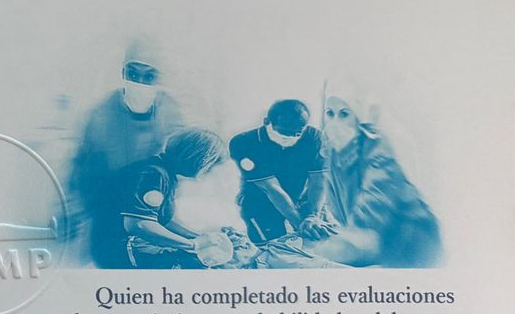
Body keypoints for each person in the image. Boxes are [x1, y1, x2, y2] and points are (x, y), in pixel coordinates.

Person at [66, 37, 184, 265]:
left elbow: (175, 165)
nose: (139, 82)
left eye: (149, 76)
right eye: (133, 74)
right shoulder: (102, 116)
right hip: (107, 213)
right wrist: (71, 208)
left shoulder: (169, 113)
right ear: (123, 73)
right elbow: (80, 165)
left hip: (149, 213)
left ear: (159, 79)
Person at [310, 93, 441, 267]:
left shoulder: (378, 147)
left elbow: (371, 211)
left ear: (358, 116)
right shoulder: (334, 152)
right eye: (330, 113)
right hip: (369, 241)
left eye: (344, 114)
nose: (335, 122)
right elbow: (336, 203)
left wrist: (343, 240)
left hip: (410, 241)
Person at [112, 127, 228, 269]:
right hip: (122, 248)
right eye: (210, 166)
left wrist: (198, 236)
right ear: (198, 159)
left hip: (132, 245)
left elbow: (163, 221)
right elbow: (138, 225)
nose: (208, 171)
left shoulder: (164, 173)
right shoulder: (154, 175)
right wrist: (194, 245)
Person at [230, 99, 331, 245]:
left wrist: (313, 216)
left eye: (297, 133)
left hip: (300, 199)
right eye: (284, 132)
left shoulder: (315, 138)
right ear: (266, 122)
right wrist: (299, 224)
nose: (290, 138)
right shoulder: (244, 142)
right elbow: (271, 188)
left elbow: (319, 179)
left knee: (317, 239)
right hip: (260, 202)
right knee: (270, 246)